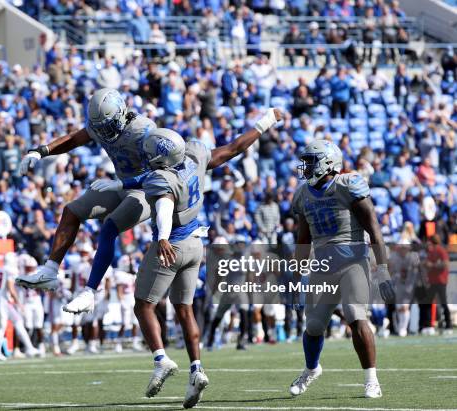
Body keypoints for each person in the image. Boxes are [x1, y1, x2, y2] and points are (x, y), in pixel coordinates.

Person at [94, 108, 281, 408]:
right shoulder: (193, 158)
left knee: (143, 306)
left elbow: (164, 203)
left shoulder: (160, 179)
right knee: (185, 309)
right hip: (197, 244)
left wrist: (162, 237)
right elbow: (234, 148)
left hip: (173, 246)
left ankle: (160, 359)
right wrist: (265, 122)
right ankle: (196, 369)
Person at [16, 88, 157, 316]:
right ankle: (50, 271)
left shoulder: (144, 130)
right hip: (119, 184)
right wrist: (41, 151)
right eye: (99, 128)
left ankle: (90, 292)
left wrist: (122, 184)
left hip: (144, 191)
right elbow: (74, 139)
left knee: (110, 226)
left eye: (107, 127)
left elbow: (162, 173)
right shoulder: (102, 123)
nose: (103, 132)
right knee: (71, 211)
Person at [289, 140, 395, 399]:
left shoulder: (349, 185)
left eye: (312, 161)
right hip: (323, 267)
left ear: (327, 163)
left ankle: (372, 379)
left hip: (352, 263)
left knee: (355, 315)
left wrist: (383, 271)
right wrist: (295, 277)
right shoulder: (303, 194)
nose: (306, 167)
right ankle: (311, 369)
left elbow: (374, 229)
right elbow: (303, 240)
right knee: (313, 326)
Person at [0, 253, 39, 360]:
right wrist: (19, 303)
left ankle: (30, 348)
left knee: (18, 321)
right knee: (1, 327)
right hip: (3, 301)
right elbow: (11, 289)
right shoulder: (9, 270)